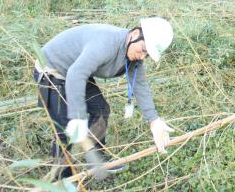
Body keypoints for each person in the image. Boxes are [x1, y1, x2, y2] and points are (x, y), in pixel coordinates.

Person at [34, 17, 175, 179]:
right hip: (52, 70)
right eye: (143, 49)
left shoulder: (134, 57)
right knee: (65, 130)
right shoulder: (106, 44)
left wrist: (154, 120)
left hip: (76, 69)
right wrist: (77, 117)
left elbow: (140, 86)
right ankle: (62, 179)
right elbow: (76, 74)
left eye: (147, 54)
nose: (142, 56)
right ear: (135, 34)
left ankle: (96, 157)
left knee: (101, 109)